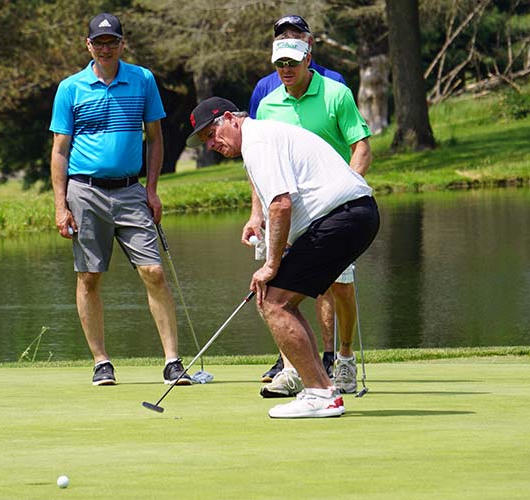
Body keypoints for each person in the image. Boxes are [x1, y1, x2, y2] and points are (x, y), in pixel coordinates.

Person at [186, 97, 379, 418]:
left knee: (273, 301)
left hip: (344, 217)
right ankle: (320, 388)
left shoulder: (258, 142)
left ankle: (320, 393)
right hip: (353, 216)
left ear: (231, 119)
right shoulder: (262, 137)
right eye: (205, 140)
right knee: (281, 299)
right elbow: (290, 204)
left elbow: (280, 204)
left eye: (212, 132)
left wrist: (271, 265)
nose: (211, 144)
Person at [49, 12, 191, 386]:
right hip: (84, 191)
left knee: (154, 272)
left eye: (112, 42)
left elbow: (155, 137)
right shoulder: (71, 88)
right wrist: (60, 204)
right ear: (89, 45)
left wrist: (152, 189)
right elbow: (60, 150)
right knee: (89, 277)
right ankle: (101, 362)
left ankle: (173, 361)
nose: (106, 48)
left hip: (131, 190)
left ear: (122, 44)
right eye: (100, 42)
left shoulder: (142, 79)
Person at [247, 14, 372, 397]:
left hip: (331, 210)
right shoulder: (267, 104)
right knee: (281, 291)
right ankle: (294, 369)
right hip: (284, 209)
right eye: (279, 63)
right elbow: (259, 165)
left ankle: (344, 359)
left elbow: (360, 145)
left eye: (291, 62)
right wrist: (256, 213)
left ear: (308, 56)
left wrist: (348, 190)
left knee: (339, 286)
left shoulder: (336, 92)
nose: (285, 70)